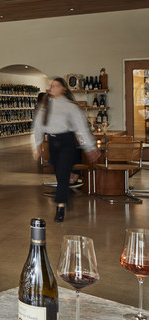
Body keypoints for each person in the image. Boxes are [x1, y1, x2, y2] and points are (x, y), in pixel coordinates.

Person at [33, 77, 100, 222]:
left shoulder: (71, 107)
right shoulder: (45, 106)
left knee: (63, 174)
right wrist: (37, 145)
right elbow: (38, 127)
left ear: (63, 88)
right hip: (52, 142)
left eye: (57, 86)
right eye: (52, 86)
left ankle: (60, 207)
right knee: (59, 174)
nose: (54, 88)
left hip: (67, 142)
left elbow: (81, 129)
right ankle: (65, 197)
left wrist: (90, 147)